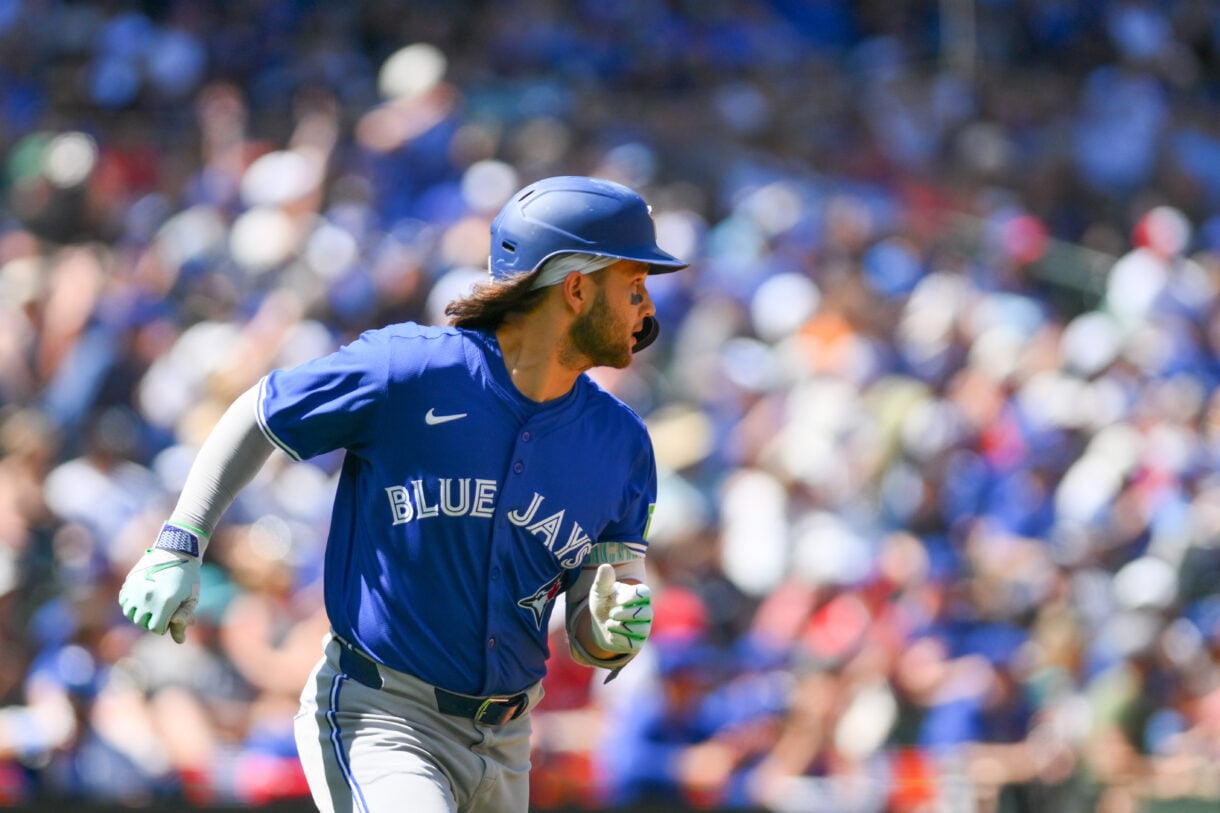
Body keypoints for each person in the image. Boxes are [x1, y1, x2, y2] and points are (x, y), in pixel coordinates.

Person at [117, 175, 683, 812]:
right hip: (382, 717)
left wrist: (611, 627)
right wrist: (180, 540)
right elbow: (259, 415)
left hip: (507, 743)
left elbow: (599, 610)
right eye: (634, 286)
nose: (648, 310)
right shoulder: (410, 371)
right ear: (576, 288)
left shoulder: (623, 443)